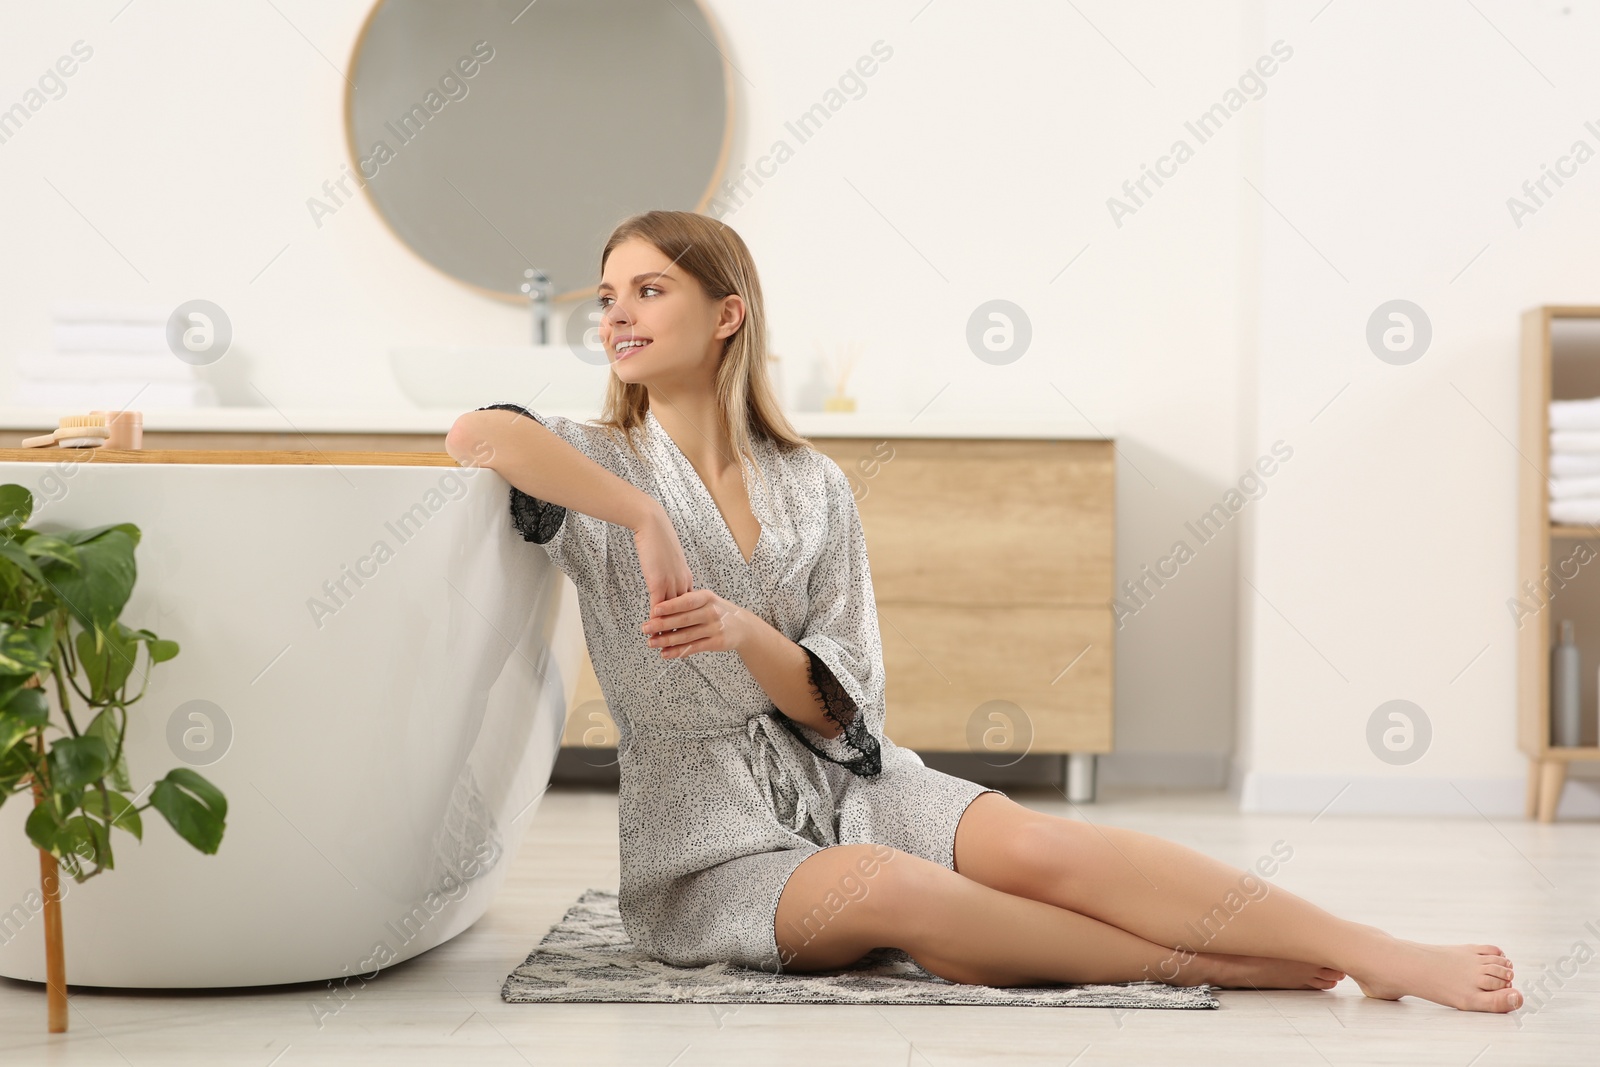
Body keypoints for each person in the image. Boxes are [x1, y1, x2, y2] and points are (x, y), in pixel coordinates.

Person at [445, 210, 1522, 1013]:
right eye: (606, 296)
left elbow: (840, 707)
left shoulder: (810, 481)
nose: (615, 315)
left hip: (850, 782)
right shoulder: (593, 462)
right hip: (706, 845)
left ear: (725, 314)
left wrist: (743, 629)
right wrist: (645, 516)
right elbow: (476, 432)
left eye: (647, 290)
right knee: (887, 887)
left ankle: (1371, 945)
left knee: (1044, 843)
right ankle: (1190, 957)